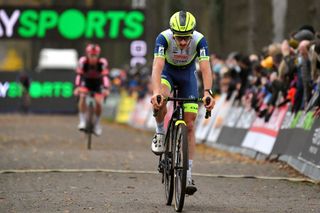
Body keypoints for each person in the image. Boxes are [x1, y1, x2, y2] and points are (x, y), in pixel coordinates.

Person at [150, 11, 215, 195]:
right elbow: (157, 66)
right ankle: (160, 132)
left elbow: (205, 67)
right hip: (168, 73)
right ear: (173, 33)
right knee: (161, 97)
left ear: (192, 34)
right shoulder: (163, 38)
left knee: (191, 124)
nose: (184, 42)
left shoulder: (200, 40)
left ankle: (188, 173)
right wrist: (156, 93)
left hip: (187, 76)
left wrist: (208, 92)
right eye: (180, 38)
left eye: (187, 38)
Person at [74, 44, 110, 136]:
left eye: (95, 56)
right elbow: (79, 75)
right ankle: (82, 121)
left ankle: (97, 124)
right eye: (91, 55)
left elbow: (105, 77)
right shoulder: (83, 62)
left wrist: (106, 89)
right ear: (87, 55)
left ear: (98, 55)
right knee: (82, 97)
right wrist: (77, 87)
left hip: (98, 83)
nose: (93, 58)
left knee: (98, 102)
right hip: (86, 82)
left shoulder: (102, 63)